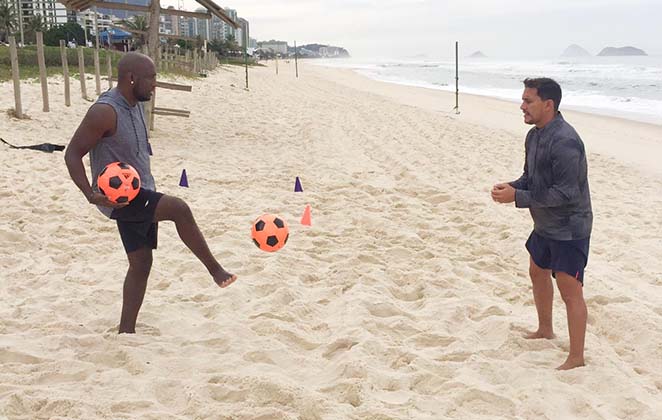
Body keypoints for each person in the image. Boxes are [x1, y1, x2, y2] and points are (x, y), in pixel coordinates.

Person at [64, 52, 236, 334]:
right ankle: (216, 270)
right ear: (132, 78)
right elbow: (72, 154)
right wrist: (89, 193)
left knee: (141, 263)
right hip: (120, 199)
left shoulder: (136, 104)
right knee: (179, 209)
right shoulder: (104, 111)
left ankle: (126, 330)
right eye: (151, 78)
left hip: (142, 189)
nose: (155, 84)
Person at [491, 78, 592, 370]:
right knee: (537, 271)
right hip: (545, 224)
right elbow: (530, 178)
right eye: (522, 100)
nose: (521, 106)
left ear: (548, 105)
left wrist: (518, 197)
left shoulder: (565, 141)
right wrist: (511, 187)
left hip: (570, 227)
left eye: (528, 101)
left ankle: (576, 358)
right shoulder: (534, 135)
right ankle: (545, 329)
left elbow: (566, 193)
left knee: (570, 290)